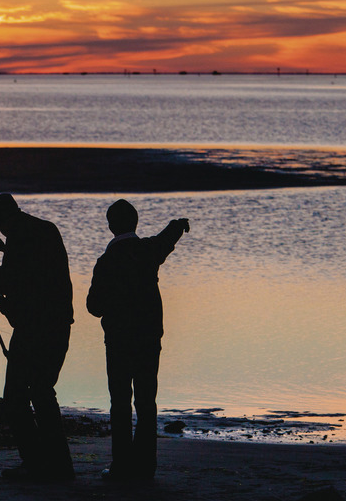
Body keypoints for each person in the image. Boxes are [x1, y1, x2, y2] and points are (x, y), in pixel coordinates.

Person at [86, 199, 189, 482]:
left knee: (120, 402)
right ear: (136, 222)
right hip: (148, 338)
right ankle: (145, 467)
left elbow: (93, 306)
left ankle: (122, 466)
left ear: (110, 226)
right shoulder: (147, 251)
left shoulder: (106, 262)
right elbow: (166, 240)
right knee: (146, 401)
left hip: (118, 340)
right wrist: (178, 225)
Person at [0, 193, 75, 482]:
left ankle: (36, 463)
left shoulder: (20, 238)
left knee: (16, 397)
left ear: (0, 221)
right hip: (58, 323)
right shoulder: (45, 229)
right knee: (44, 391)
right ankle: (58, 465)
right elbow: (34, 278)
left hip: (34, 327)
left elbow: (13, 281)